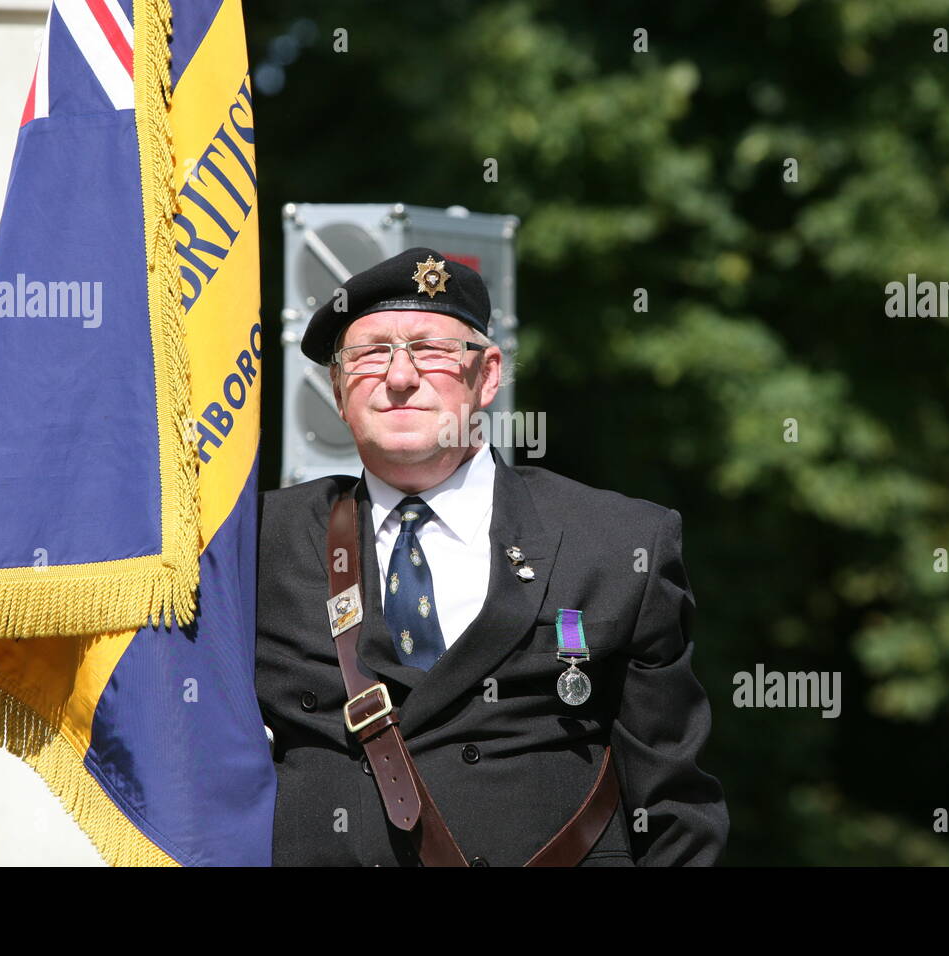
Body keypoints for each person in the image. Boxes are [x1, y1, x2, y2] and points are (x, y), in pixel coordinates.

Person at [255, 247, 728, 865]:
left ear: (488, 375)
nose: (400, 377)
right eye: (371, 354)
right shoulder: (258, 541)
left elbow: (675, 807)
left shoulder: (617, 542)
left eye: (431, 350)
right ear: (338, 389)